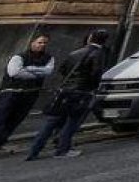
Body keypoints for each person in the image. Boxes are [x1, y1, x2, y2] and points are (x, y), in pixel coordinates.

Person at [25, 29, 109, 160]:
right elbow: (96, 73)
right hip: (82, 92)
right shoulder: (99, 53)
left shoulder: (75, 52)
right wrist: (92, 87)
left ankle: (34, 151)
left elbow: (62, 69)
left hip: (65, 91)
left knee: (51, 121)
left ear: (90, 38)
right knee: (72, 122)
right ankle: (62, 150)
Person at [0, 33, 55, 151]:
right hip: (11, 92)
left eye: (45, 43)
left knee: (14, 121)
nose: (42, 45)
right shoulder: (19, 57)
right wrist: (36, 74)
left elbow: (48, 71)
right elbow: (14, 73)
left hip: (30, 94)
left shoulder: (48, 58)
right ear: (32, 42)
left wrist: (29, 69)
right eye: (39, 42)